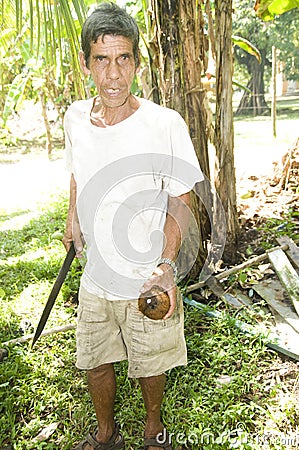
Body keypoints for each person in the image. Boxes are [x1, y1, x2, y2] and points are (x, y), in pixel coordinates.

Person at [63, 3, 203, 450]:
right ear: (86, 64)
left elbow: (182, 198)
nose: (113, 75)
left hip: (146, 275)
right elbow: (77, 172)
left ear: (137, 63)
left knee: (151, 364)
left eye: (123, 59)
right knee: (95, 360)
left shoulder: (164, 124)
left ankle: (152, 429)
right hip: (95, 278)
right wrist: (72, 216)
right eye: (101, 60)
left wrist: (166, 263)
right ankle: (106, 434)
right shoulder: (74, 119)